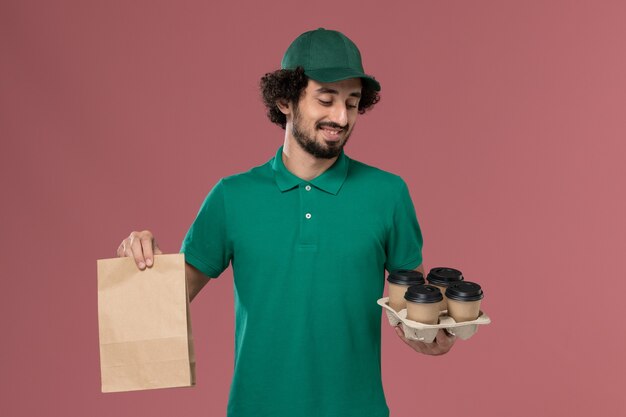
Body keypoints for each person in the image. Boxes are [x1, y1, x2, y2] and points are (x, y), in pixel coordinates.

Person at [116, 28, 455, 417]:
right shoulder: (232, 196)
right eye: (326, 100)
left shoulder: (388, 194)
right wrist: (139, 262)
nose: (341, 117)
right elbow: (162, 306)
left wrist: (436, 336)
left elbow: (415, 313)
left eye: (353, 102)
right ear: (284, 99)